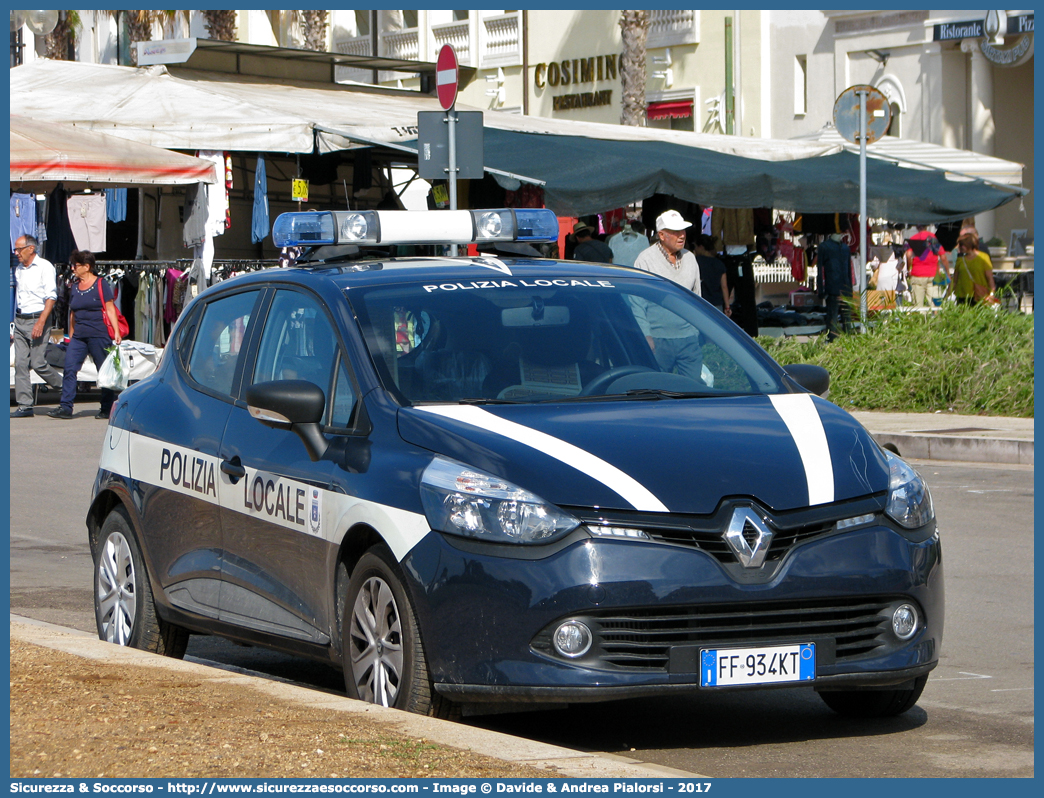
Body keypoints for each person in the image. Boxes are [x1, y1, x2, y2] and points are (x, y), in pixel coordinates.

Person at [48, 250, 122, 420]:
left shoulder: (101, 284)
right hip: (79, 337)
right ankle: (66, 407)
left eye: (76, 265)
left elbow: (110, 308)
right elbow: (73, 312)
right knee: (70, 368)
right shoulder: (74, 286)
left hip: (99, 335)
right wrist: (71, 336)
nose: (72, 268)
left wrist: (116, 332)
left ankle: (106, 407)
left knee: (104, 372)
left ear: (87, 267)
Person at [631, 210, 704, 380]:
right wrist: (646, 335)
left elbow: (697, 298)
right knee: (659, 391)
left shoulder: (690, 258)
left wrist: (696, 332)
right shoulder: (645, 260)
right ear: (662, 236)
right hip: (658, 340)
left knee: (695, 390)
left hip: (688, 340)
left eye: (683, 231)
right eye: (675, 232)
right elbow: (637, 302)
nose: (682, 236)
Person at [11, 234, 64, 418]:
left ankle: (64, 388)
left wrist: (41, 322)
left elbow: (51, 297)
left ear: (31, 248)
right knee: (20, 364)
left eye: (18, 249)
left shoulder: (44, 267)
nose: (16, 253)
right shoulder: (19, 269)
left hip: (37, 318)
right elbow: (19, 296)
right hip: (20, 319)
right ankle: (25, 405)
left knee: (38, 362)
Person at [816, 229, 853, 342]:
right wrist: (821, 290)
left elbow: (848, 271)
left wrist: (850, 290)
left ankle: (849, 343)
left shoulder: (846, 248)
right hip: (832, 288)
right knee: (833, 318)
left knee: (846, 319)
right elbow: (820, 269)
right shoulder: (824, 247)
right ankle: (833, 342)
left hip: (843, 288)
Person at [904, 225, 951, 307]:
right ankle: (936, 319)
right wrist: (947, 273)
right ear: (927, 226)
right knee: (935, 305)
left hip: (917, 274)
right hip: (933, 275)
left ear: (916, 227)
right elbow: (943, 257)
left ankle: (920, 319)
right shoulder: (934, 238)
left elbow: (908, 256)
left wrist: (908, 270)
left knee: (917, 306)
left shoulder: (913, 239)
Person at [693, 234, 732, 317]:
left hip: (701, 303)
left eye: (696, 246)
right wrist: (727, 307)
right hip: (717, 304)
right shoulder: (719, 264)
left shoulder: (696, 262)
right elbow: (724, 286)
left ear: (701, 247)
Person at [952, 234, 996, 305]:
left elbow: (990, 278)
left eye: (961, 245)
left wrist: (991, 294)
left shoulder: (983, 258)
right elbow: (955, 279)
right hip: (962, 297)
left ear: (968, 245)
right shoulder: (960, 259)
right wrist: (949, 293)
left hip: (979, 296)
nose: (960, 248)